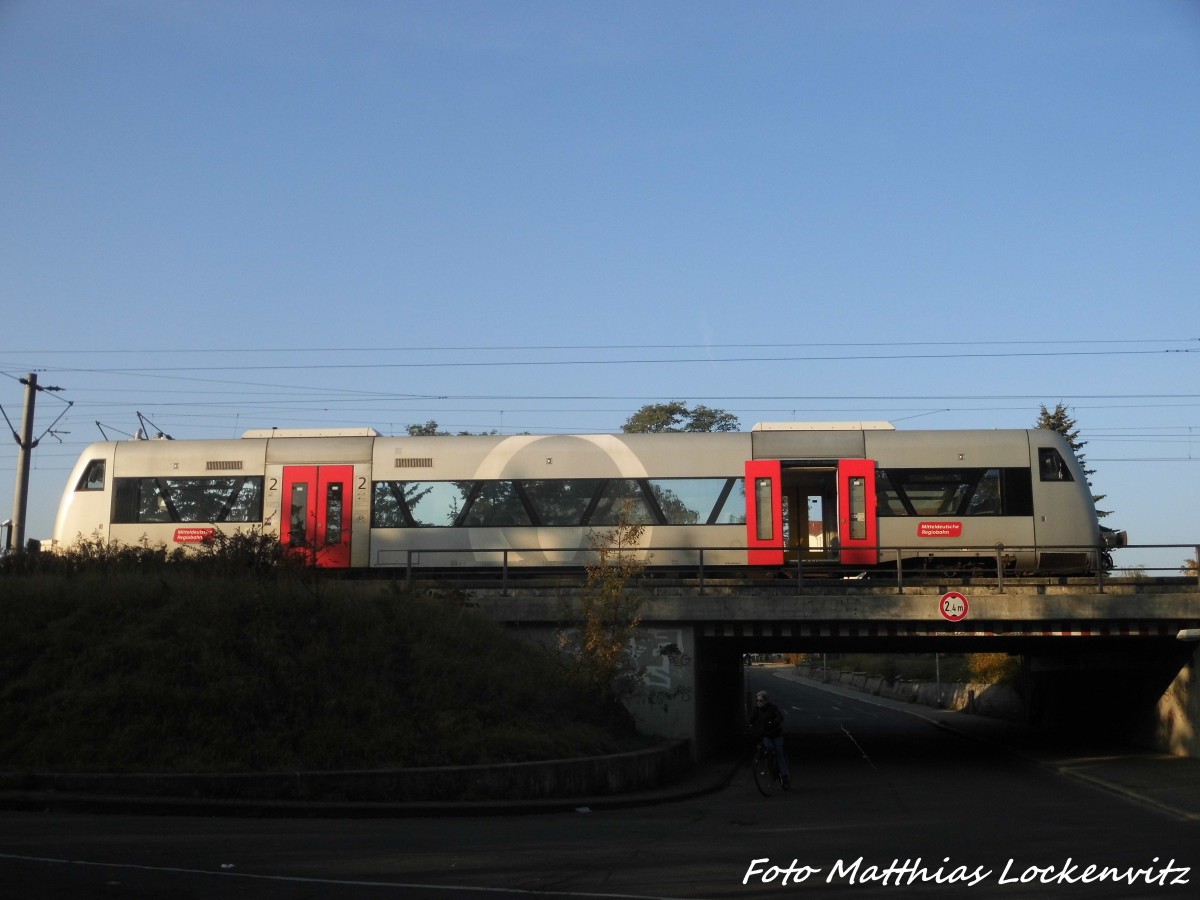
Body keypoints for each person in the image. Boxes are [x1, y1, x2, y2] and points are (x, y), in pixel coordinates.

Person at [749, 689, 790, 788]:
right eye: (757, 700)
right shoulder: (756, 709)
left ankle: (784, 776)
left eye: (761, 700)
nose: (759, 702)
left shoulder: (773, 708)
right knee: (768, 747)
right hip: (766, 735)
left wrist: (774, 722)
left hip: (776, 734)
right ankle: (769, 766)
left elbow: (780, 717)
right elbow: (751, 720)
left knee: (779, 753)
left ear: (766, 701)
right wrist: (750, 726)